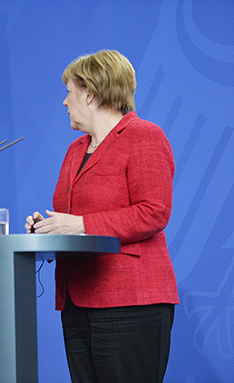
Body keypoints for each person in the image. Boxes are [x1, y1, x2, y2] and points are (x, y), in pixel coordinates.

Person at [25, 50, 179, 383]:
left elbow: (154, 212)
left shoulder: (145, 137)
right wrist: (49, 227)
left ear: (91, 94)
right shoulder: (75, 149)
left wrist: (79, 224)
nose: (64, 102)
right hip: (77, 300)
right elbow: (74, 217)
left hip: (129, 299)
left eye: (69, 92)